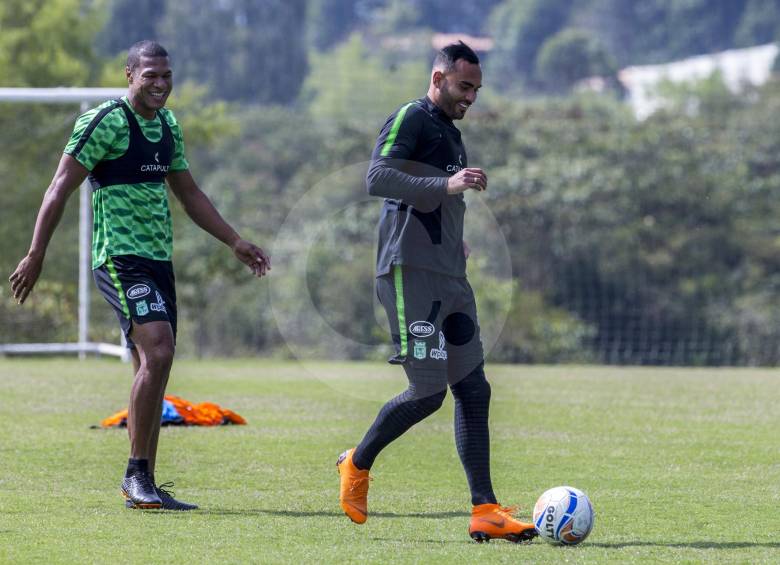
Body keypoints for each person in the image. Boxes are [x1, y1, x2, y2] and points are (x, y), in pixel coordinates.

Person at [8, 40, 270, 511]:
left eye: (167, 76)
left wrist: (234, 241)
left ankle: (144, 480)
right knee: (160, 350)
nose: (161, 85)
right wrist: (36, 253)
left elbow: (189, 194)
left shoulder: (169, 125)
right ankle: (134, 477)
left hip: (157, 260)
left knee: (151, 362)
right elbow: (59, 187)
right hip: (119, 257)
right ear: (130, 74)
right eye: (151, 75)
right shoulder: (105, 121)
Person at [337, 41, 536, 543]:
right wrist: (448, 188)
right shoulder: (412, 117)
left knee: (474, 388)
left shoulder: (450, 133)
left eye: (476, 89)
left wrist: (455, 233)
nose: (471, 96)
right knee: (428, 393)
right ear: (439, 77)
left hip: (450, 275)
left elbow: (433, 196)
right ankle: (356, 465)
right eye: (464, 86)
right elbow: (378, 177)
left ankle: (485, 510)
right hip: (410, 275)